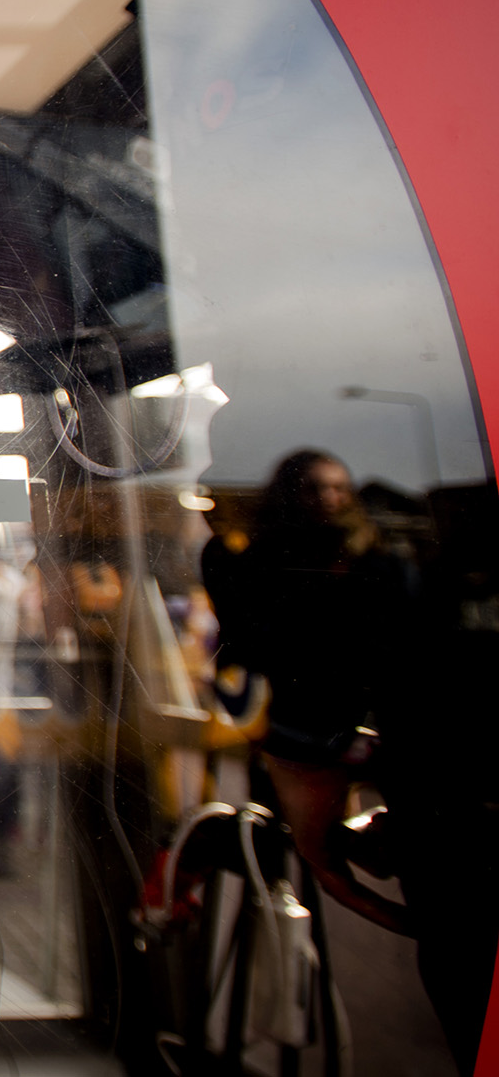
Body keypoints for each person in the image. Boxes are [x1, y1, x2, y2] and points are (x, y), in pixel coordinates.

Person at [204, 449, 499, 1071]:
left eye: (340, 488)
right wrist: (313, 760)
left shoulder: (385, 568)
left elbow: (416, 667)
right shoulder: (256, 567)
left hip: (435, 777)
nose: (330, 500)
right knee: (459, 969)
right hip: (398, 783)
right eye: (315, 489)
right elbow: (246, 671)